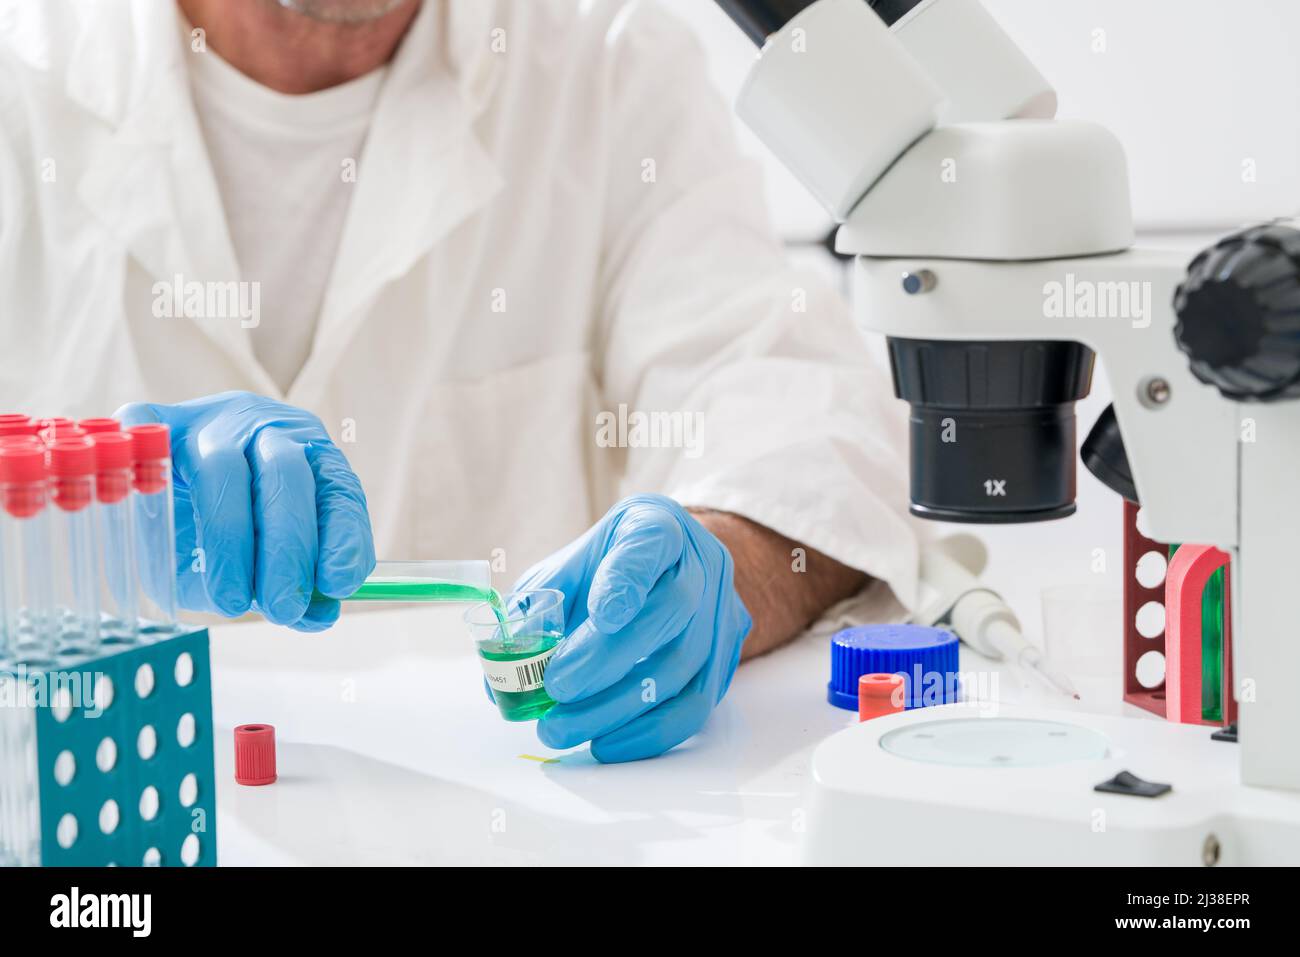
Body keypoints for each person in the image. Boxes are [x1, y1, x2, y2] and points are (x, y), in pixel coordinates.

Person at [0, 0, 917, 762]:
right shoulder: (22, 76)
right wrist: (77, 532)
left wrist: (726, 562)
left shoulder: (600, 61)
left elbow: (790, 412)